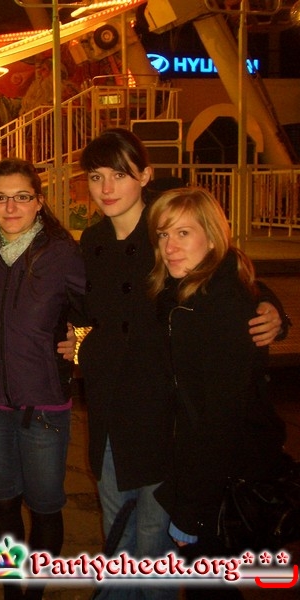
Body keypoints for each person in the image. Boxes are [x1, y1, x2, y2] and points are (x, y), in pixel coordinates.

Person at [75, 128, 286, 600]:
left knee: (155, 549)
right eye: (96, 176)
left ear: (145, 176)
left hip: (163, 416)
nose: (107, 188)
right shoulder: (91, 239)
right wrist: (76, 339)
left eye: (119, 175)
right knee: (117, 539)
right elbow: (80, 308)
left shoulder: (165, 226)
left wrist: (272, 310)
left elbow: (226, 268)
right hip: (110, 410)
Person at [147, 187, 287, 599]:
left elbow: (218, 422)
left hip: (221, 480)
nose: (170, 247)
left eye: (183, 233)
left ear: (212, 237)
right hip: (204, 472)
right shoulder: (185, 291)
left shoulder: (221, 308)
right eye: (163, 235)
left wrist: (193, 511)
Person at [0, 159, 85, 600]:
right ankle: (13, 588)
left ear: (39, 201)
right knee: (3, 504)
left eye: (21, 197)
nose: (11, 207)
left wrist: (81, 342)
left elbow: (100, 310)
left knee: (45, 507)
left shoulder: (62, 253)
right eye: (1, 198)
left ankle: (34, 590)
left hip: (44, 405)